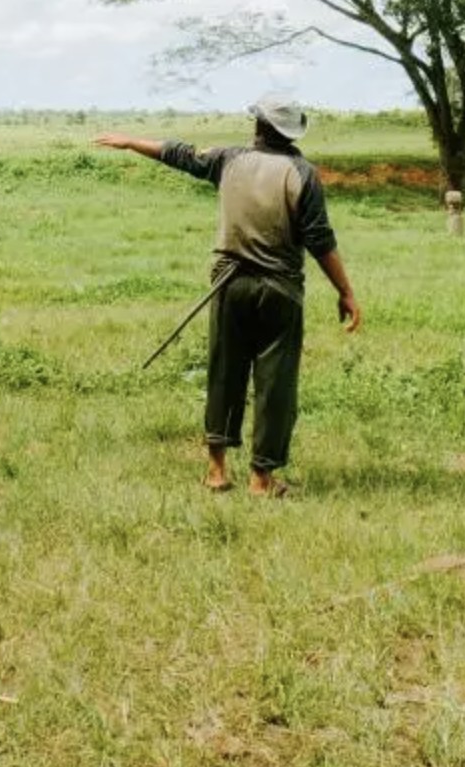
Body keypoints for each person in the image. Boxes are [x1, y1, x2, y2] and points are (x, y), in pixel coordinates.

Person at [94, 95, 361, 497]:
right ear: (289, 133)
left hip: (229, 286)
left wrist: (131, 141)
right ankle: (261, 478)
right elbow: (320, 241)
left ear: (258, 128)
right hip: (280, 291)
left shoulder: (228, 160)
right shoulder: (303, 174)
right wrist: (346, 292)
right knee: (276, 384)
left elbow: (178, 154)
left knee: (224, 372)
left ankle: (217, 471)